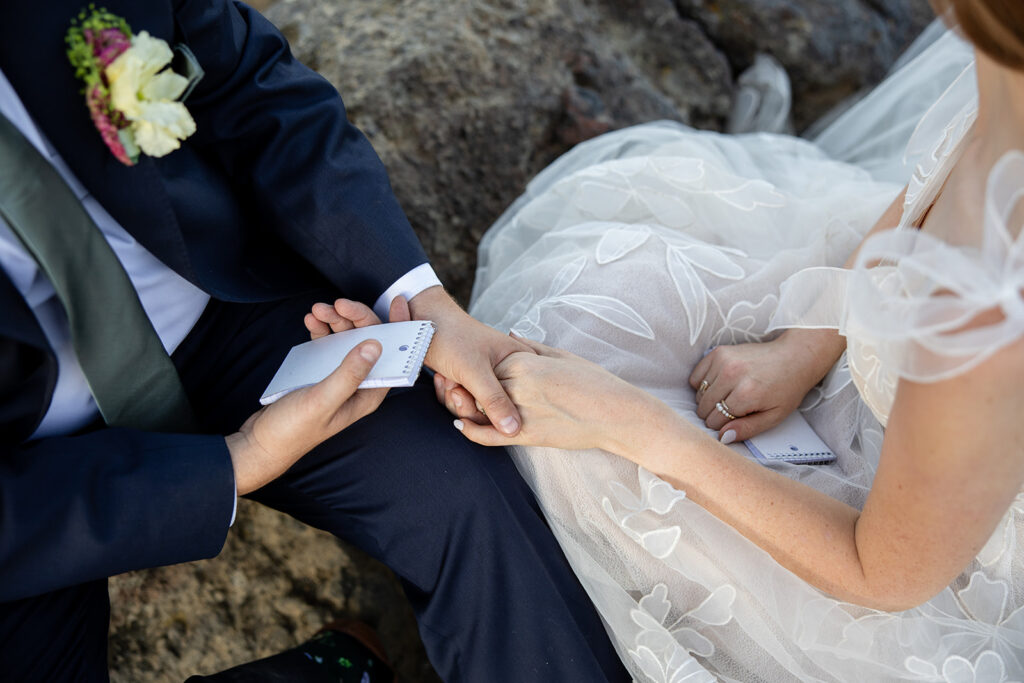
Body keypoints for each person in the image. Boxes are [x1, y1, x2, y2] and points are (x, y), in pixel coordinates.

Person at [0, 1, 630, 681]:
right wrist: (239, 461)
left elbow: (248, 82)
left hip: (225, 318)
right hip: (25, 471)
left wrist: (420, 302)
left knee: (464, 485)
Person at [450, 1, 1024, 679]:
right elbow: (938, 185)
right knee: (588, 302)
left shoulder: (995, 308)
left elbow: (882, 575)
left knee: (588, 464)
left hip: (915, 558)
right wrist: (804, 345)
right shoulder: (1005, 64)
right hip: (910, 404)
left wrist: (634, 424)